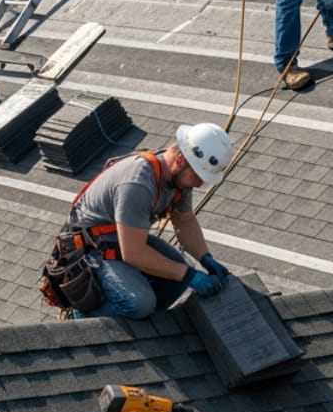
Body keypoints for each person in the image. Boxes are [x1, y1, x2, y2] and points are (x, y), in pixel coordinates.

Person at [63, 122, 236, 319]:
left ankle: (143, 326)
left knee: (178, 276)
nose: (200, 183)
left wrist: (206, 258)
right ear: (180, 159)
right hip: (91, 247)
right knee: (139, 304)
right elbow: (134, 253)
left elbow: (184, 220)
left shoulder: (177, 179)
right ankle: (81, 318)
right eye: (197, 176)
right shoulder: (139, 182)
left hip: (124, 237)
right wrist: (188, 275)